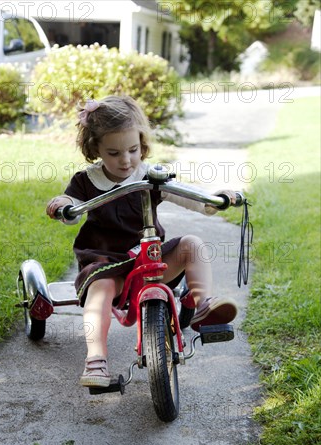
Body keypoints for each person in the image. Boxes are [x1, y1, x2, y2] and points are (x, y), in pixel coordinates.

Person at [46, 95, 238, 388]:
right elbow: (72, 208)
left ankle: (203, 307)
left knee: (192, 244)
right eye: (113, 153)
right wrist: (64, 205)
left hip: (150, 259)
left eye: (133, 150)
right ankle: (96, 360)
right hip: (106, 261)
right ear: (95, 148)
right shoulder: (87, 181)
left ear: (141, 143)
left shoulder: (151, 176)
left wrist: (214, 200)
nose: (125, 160)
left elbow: (188, 196)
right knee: (99, 293)